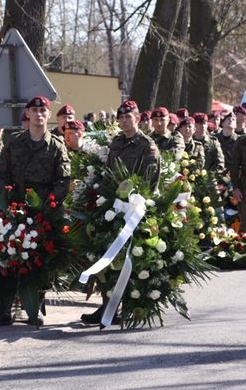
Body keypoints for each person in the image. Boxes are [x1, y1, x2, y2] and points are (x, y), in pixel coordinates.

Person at [0, 95, 70, 327]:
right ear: (28, 114)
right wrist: (9, 199)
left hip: (44, 212)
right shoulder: (14, 143)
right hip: (16, 209)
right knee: (7, 258)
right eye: (34, 111)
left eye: (43, 111)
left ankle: (36, 306)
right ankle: (4, 309)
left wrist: (49, 205)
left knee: (40, 261)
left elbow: (63, 180)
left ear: (47, 115)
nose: (39, 115)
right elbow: (3, 172)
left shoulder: (56, 145)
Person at [81, 99, 160, 325]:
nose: (124, 121)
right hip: (112, 209)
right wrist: (104, 202)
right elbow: (108, 174)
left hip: (135, 211)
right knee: (108, 259)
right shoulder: (116, 143)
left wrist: (134, 205)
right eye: (121, 117)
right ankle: (107, 306)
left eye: (129, 117)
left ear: (138, 118)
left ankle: (129, 306)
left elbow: (149, 182)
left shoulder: (147, 146)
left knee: (132, 262)